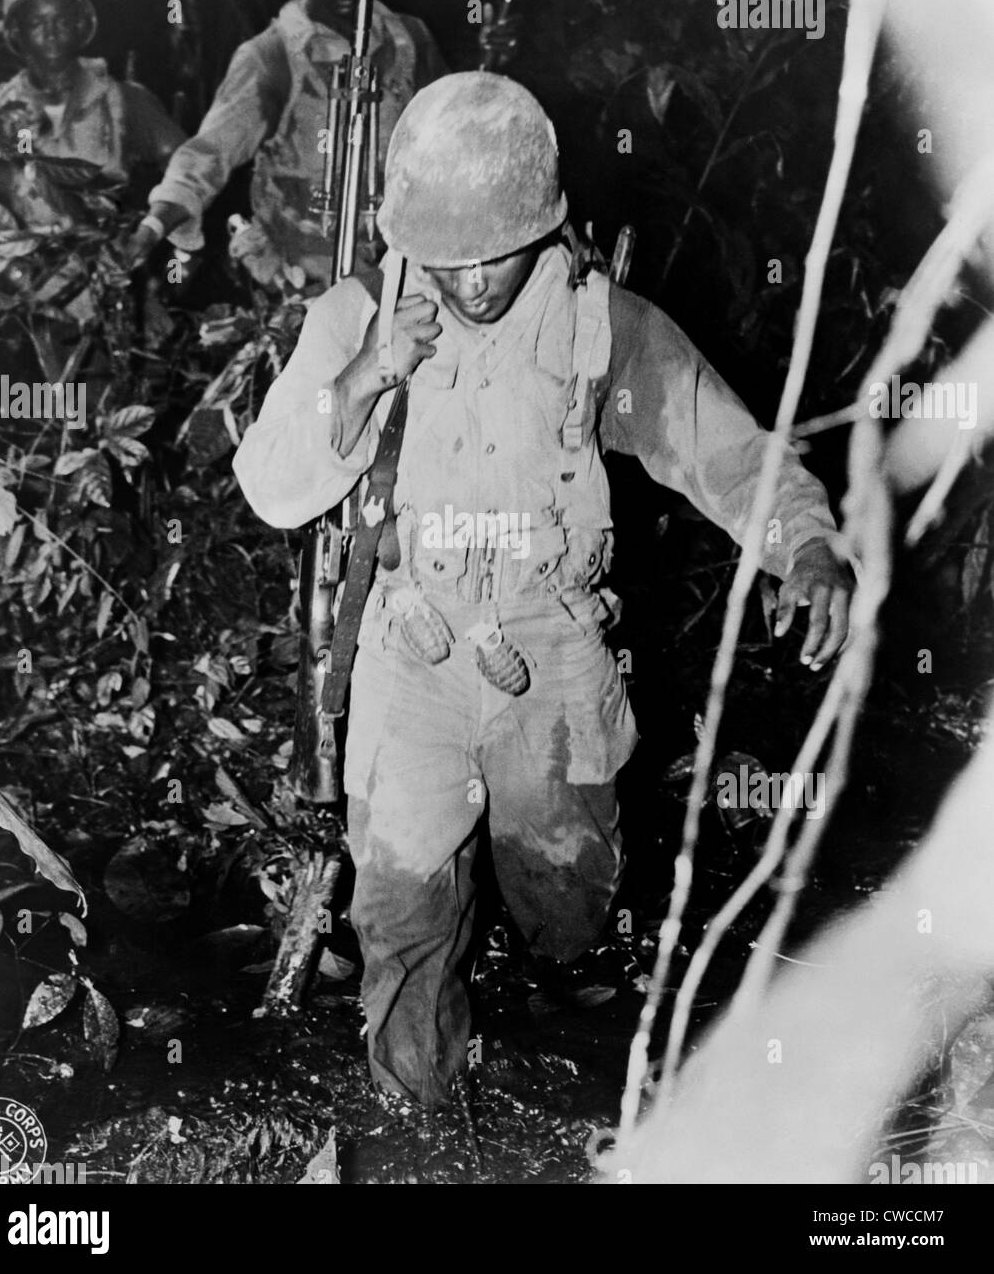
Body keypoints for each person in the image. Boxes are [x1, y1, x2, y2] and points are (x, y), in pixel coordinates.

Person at [232, 72, 854, 1110]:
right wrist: (365, 377)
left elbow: (729, 451)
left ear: (548, 225)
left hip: (551, 656)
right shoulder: (354, 315)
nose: (474, 282)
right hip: (410, 651)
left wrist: (807, 543)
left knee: (564, 902)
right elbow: (270, 489)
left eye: (499, 253)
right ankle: (417, 1121)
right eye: (450, 257)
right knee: (402, 910)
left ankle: (564, 992)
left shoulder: (596, 326)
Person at [126, 0, 447, 290]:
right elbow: (209, 153)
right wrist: (154, 225)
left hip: (398, 266)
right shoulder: (272, 56)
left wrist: (489, 76)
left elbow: (453, 141)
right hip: (299, 272)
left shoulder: (411, 43)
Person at [0, 0, 186, 231]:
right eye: (36, 23)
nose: (50, 31)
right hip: (37, 262)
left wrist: (153, 226)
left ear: (80, 25)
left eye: (62, 20)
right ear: (17, 32)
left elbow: (186, 165)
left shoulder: (123, 99)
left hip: (119, 254)